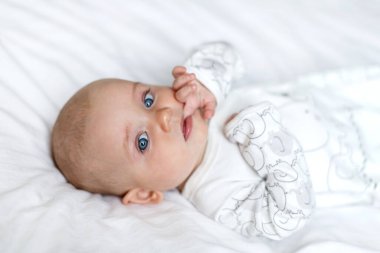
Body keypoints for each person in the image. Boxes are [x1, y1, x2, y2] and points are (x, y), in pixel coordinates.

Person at [52, 42, 323, 240]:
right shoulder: (218, 198)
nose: (164, 115)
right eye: (142, 142)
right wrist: (265, 138)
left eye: (148, 99)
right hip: (357, 164)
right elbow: (289, 217)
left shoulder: (202, 99)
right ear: (145, 193)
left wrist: (205, 82)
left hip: (330, 99)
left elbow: (225, 52)